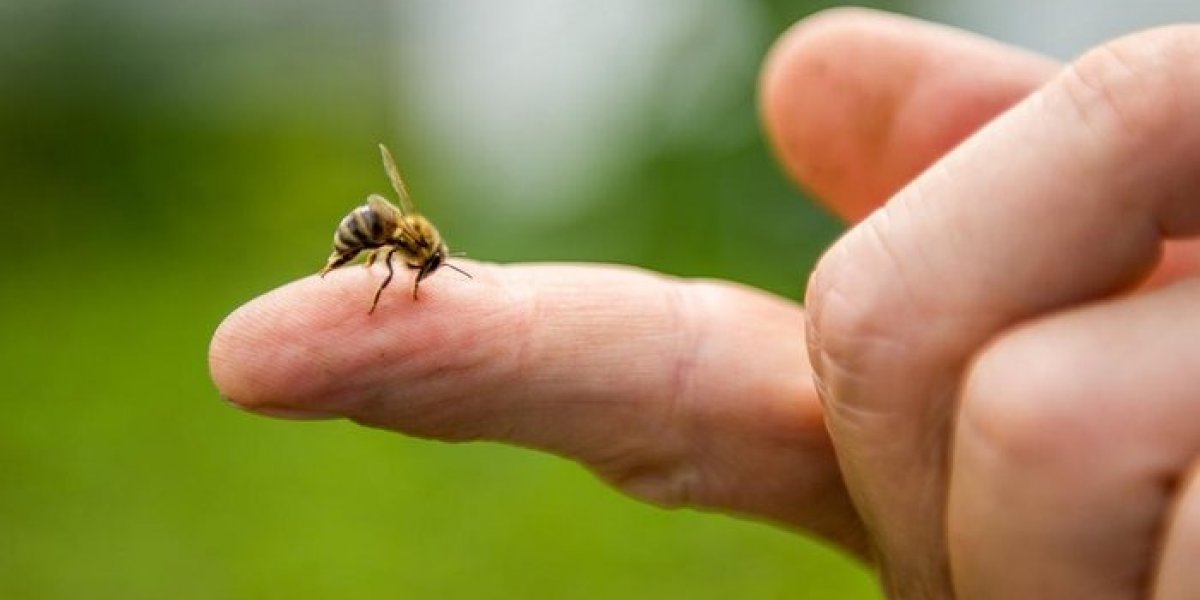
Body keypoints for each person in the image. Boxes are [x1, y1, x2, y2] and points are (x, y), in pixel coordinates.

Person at [209, 8, 1200, 598]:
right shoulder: (399, 245)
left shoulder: (416, 246)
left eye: (415, 263)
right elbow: (387, 243)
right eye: (417, 263)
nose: (417, 266)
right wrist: (381, 280)